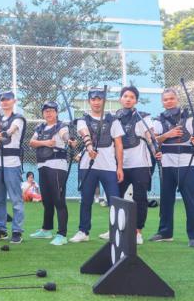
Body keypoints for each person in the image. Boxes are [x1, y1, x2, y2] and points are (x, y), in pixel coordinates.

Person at [69, 88, 124, 243]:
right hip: (88, 166)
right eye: (93, 99)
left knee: (114, 200)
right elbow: (84, 133)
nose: (96, 102)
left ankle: (115, 231)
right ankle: (83, 231)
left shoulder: (113, 120)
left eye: (100, 99)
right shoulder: (83, 119)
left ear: (104, 101)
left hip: (109, 166)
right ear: (89, 101)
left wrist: (120, 167)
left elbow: (119, 144)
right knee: (86, 200)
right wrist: (89, 148)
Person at [150, 88, 194, 248]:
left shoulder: (190, 117)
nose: (169, 101)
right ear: (162, 102)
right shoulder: (158, 120)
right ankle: (165, 233)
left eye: (171, 98)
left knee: (191, 201)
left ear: (177, 99)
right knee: (166, 200)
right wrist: (168, 134)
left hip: (186, 165)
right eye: (165, 99)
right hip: (167, 165)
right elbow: (154, 141)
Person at [115, 85, 161, 245]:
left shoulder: (144, 117)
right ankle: (116, 227)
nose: (128, 99)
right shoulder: (114, 118)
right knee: (116, 197)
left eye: (132, 97)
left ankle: (137, 232)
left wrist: (155, 150)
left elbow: (150, 136)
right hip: (120, 164)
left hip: (140, 163)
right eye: (125, 96)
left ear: (136, 100)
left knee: (139, 198)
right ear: (120, 99)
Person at [29, 101, 70, 245]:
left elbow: (65, 136)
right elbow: (31, 142)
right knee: (46, 200)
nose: (49, 113)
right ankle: (46, 230)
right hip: (42, 165)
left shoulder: (61, 126)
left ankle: (62, 234)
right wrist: (46, 143)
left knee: (58, 200)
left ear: (57, 112)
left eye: (52, 110)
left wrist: (69, 140)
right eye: (46, 111)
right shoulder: (40, 128)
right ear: (43, 113)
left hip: (57, 166)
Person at [0, 91, 26, 244]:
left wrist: (3, 132)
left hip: (12, 163)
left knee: (16, 199)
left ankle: (17, 231)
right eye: (2, 100)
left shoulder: (18, 118)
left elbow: (12, 130)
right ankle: (1, 229)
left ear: (13, 101)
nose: (4, 102)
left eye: (8, 100)